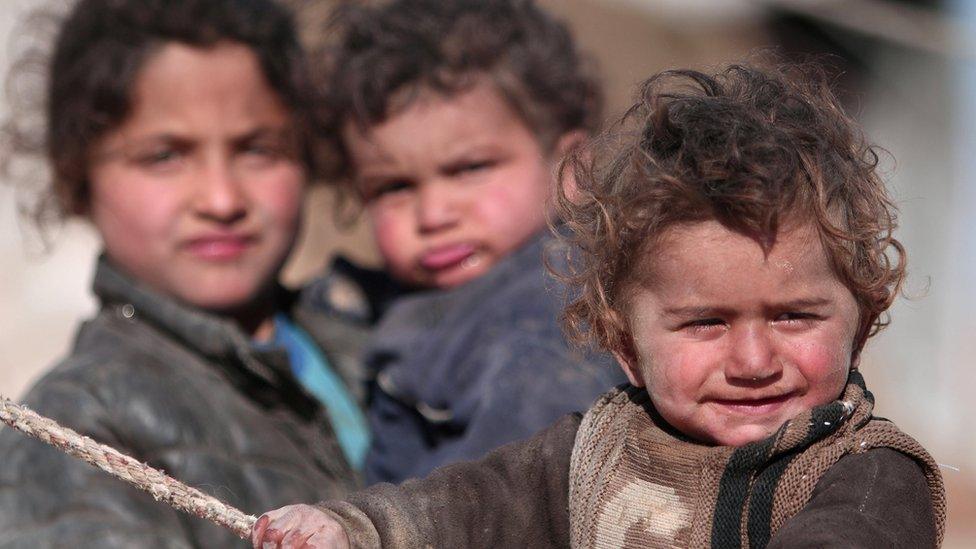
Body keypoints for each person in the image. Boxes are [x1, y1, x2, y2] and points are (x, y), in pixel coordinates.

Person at [251, 62, 947, 548]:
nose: (754, 359)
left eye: (794, 315)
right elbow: (466, 510)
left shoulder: (866, 475)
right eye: (705, 322)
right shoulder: (593, 452)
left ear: (861, 322)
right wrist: (351, 529)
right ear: (624, 344)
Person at [0, 0, 369, 546]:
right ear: (75, 174)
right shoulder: (79, 428)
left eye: (258, 149)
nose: (221, 199)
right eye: (164, 156)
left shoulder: (381, 346)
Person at [318, 0, 622, 485]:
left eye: (470, 169)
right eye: (394, 187)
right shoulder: (416, 300)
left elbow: (513, 506)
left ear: (572, 170)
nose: (434, 215)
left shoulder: (547, 327)